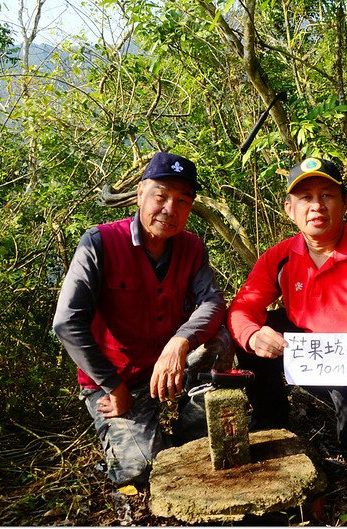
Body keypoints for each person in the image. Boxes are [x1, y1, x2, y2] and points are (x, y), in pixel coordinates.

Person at [227, 157, 347, 466]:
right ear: (290, 209)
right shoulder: (279, 256)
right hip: (306, 356)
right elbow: (242, 308)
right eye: (305, 197)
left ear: (344, 202)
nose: (316, 206)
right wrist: (252, 336)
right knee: (254, 327)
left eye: (326, 195)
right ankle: (271, 417)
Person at [53, 151, 232, 486]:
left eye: (182, 200)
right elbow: (67, 322)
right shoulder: (101, 242)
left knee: (220, 336)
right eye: (160, 197)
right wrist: (113, 386)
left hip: (167, 367)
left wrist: (180, 342)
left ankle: (191, 428)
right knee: (142, 470)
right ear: (139, 195)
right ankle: (143, 441)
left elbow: (212, 302)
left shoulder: (191, 247)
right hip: (117, 380)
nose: (170, 210)